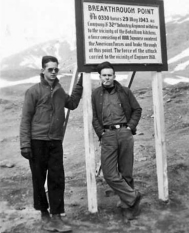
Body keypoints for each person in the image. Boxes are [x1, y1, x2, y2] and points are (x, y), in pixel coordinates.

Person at [20, 56, 83, 232]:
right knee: (39, 179)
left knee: (57, 178)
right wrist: (25, 144)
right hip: (37, 141)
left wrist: (80, 84)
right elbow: (25, 119)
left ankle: (56, 216)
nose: (54, 72)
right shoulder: (33, 91)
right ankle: (44, 215)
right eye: (50, 69)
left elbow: (72, 103)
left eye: (56, 69)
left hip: (55, 141)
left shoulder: (60, 91)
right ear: (43, 70)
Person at [91, 61, 142, 220]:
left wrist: (130, 127)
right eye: (104, 75)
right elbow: (94, 117)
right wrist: (101, 133)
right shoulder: (96, 94)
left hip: (124, 133)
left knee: (126, 171)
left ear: (114, 76)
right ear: (100, 77)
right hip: (108, 135)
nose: (107, 78)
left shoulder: (125, 91)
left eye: (109, 75)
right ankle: (133, 195)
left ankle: (128, 206)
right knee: (109, 173)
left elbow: (137, 109)